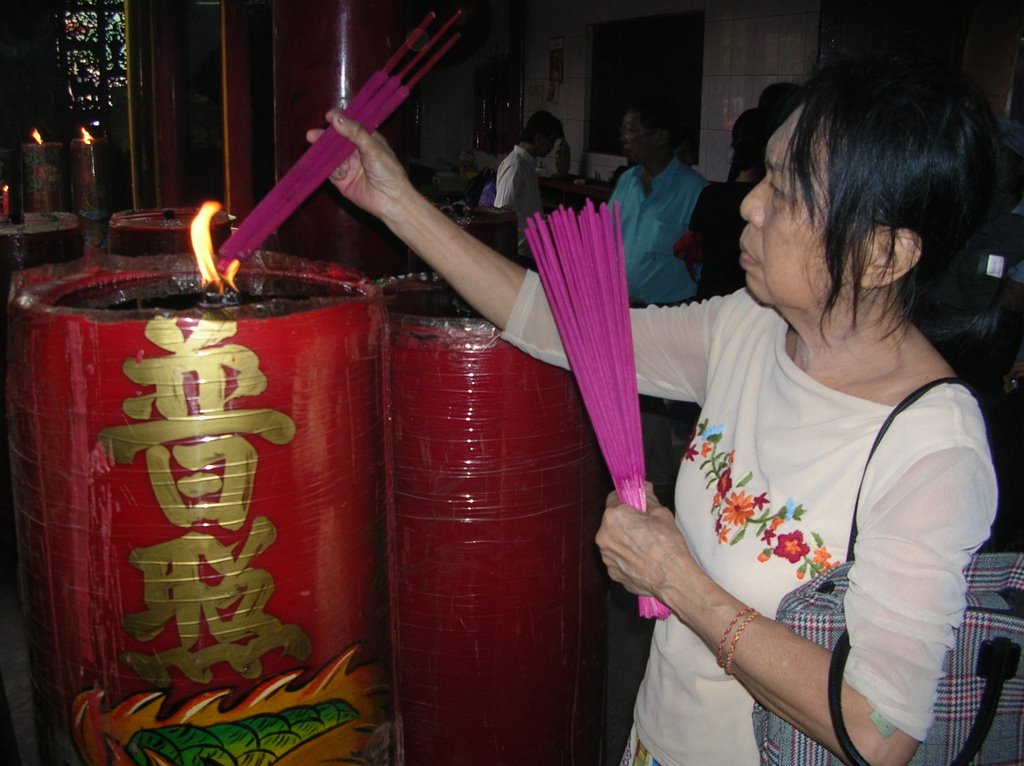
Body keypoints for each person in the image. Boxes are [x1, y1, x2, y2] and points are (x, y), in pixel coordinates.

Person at [313, 51, 999, 765]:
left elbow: (878, 730)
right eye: (764, 172)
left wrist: (676, 580)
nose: (751, 203)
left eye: (791, 191)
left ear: (883, 255)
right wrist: (396, 203)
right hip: (656, 742)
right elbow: (558, 323)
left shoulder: (931, 450)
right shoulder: (749, 329)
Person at [611, 98, 707, 306]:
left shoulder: (694, 190)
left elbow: (704, 262)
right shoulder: (627, 181)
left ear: (660, 136)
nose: (623, 137)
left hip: (670, 312)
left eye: (631, 130)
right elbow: (606, 238)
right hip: (622, 307)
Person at [493, 109, 564, 263]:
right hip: (518, 253)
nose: (552, 147)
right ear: (538, 138)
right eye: (551, 141)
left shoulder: (528, 164)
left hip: (530, 251)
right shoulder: (515, 165)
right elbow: (501, 212)